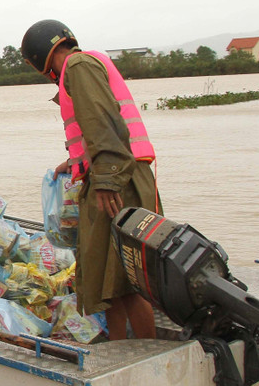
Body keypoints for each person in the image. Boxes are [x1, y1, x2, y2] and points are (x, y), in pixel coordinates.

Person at [20, 19, 158, 340]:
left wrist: (108, 180)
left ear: (40, 57)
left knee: (127, 279)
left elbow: (104, 123)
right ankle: (119, 349)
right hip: (112, 174)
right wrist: (75, 162)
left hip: (119, 179)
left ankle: (145, 351)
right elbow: (97, 127)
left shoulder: (78, 66)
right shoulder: (80, 67)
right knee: (107, 281)